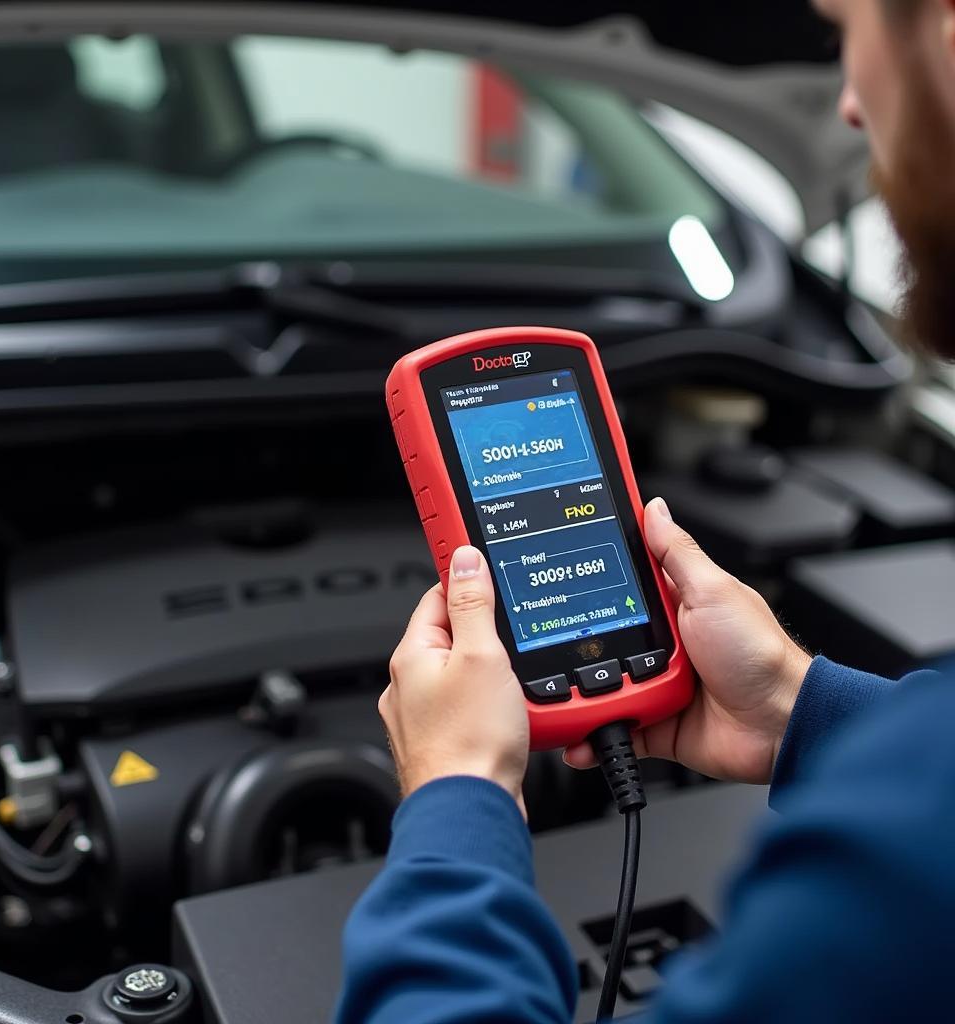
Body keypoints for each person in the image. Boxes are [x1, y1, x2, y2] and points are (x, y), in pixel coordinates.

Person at [335, 0, 955, 1020]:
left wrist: (456, 798)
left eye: (850, 29)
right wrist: (802, 708)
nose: (844, 103)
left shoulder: (891, 866)